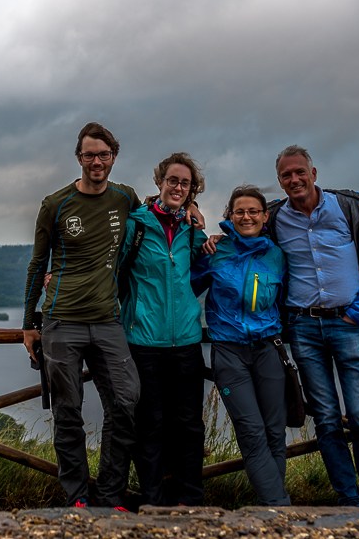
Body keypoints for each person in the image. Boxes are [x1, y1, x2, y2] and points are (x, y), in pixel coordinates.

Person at [265, 145, 359, 507]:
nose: (294, 180)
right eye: (286, 175)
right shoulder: (275, 218)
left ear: (314, 173)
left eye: (299, 172)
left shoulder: (349, 208)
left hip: (348, 323)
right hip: (303, 328)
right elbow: (240, 226)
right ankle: (349, 498)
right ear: (279, 181)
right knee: (325, 417)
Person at [22, 122, 142, 509]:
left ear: (113, 157)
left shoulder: (126, 198)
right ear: (78, 158)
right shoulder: (55, 204)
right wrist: (28, 324)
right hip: (61, 321)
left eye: (103, 154)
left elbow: (154, 222)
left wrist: (190, 208)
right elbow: (37, 264)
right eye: (89, 154)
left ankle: (110, 495)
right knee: (68, 411)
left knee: (125, 403)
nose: (96, 161)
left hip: (108, 320)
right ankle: (77, 497)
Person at [118, 152, 209, 507]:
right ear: (159, 182)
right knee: (150, 424)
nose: (178, 187)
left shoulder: (191, 228)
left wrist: (201, 219)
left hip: (186, 338)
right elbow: (113, 270)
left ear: (191, 191)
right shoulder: (136, 225)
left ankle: (190, 499)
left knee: (189, 425)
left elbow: (212, 258)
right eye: (172, 180)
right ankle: (153, 501)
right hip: (143, 340)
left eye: (185, 183)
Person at [191, 185, 291, 506]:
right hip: (229, 352)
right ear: (229, 217)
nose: (246, 216)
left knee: (275, 433)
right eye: (239, 212)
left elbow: (290, 300)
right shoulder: (215, 251)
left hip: (269, 350)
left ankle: (270, 509)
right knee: (251, 432)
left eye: (253, 211)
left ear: (265, 216)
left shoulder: (278, 255)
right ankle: (280, 510)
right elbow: (185, 286)